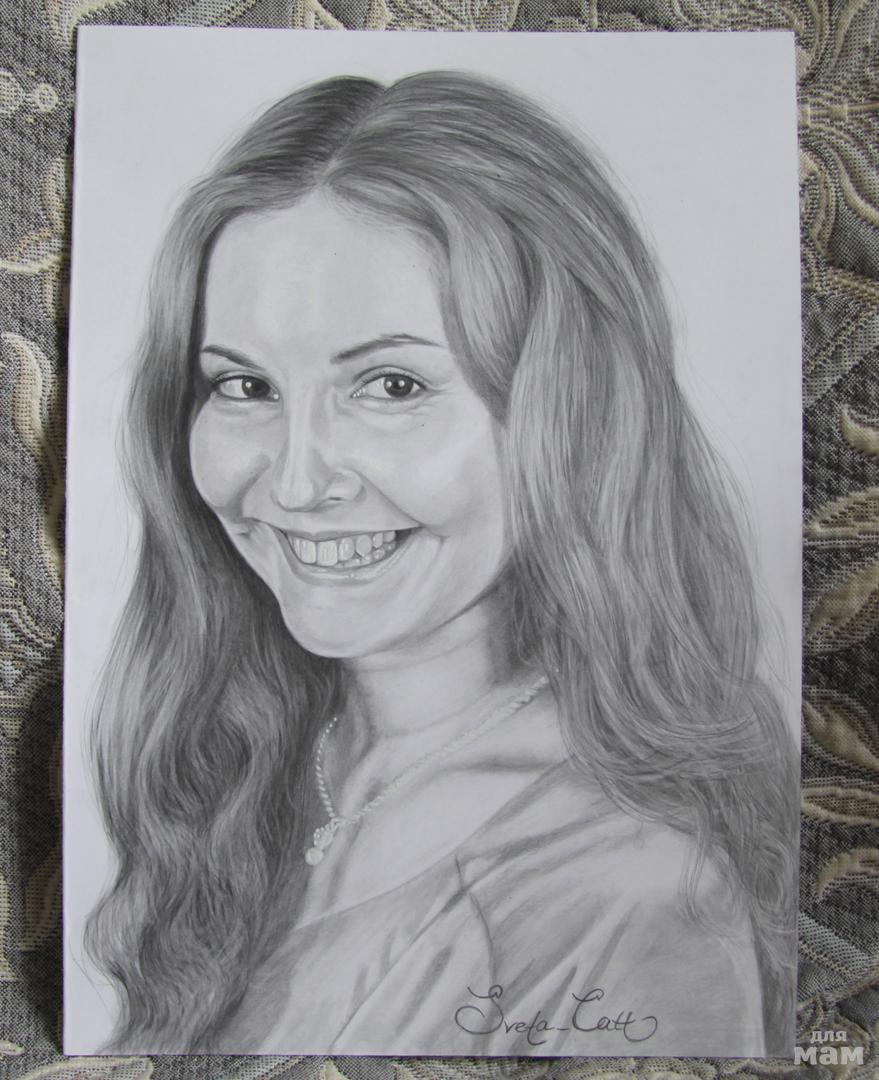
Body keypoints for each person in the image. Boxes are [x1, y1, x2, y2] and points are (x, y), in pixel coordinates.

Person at [86, 71, 797, 1057]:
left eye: (390, 385)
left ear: (565, 413)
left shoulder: (630, 888)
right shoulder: (247, 760)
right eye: (244, 386)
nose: (295, 482)